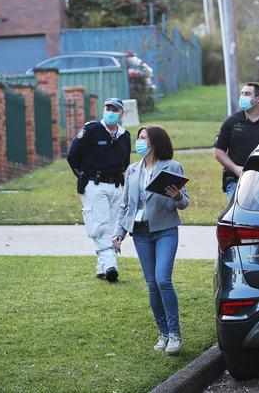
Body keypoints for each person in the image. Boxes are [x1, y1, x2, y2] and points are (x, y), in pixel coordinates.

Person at [112, 125, 189, 355]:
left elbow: (184, 202)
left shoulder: (172, 167)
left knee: (163, 279)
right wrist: (119, 232)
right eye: (138, 138)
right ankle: (163, 333)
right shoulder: (133, 170)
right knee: (152, 285)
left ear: (154, 142)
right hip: (141, 233)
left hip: (165, 230)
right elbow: (125, 205)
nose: (139, 142)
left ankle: (175, 334)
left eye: (143, 138)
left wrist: (177, 197)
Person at [67, 98, 131, 282]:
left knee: (112, 227)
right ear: (103, 110)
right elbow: (73, 156)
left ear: (121, 114)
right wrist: (83, 177)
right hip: (94, 184)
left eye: (115, 109)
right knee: (100, 225)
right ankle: (111, 264)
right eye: (108, 108)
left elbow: (125, 162)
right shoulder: (91, 130)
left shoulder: (125, 135)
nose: (111, 112)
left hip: (117, 186)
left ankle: (102, 268)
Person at [214, 83, 259, 202]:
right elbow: (218, 151)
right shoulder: (231, 121)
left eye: (247, 94)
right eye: (242, 94)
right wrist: (236, 169)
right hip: (237, 181)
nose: (242, 97)